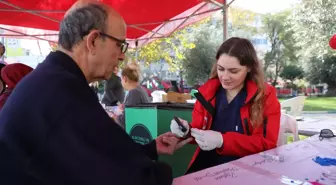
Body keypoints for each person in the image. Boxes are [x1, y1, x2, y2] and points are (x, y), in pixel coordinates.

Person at [0, 1, 192, 185]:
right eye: (120, 44)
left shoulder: (51, 79)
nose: (122, 55)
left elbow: (98, 154)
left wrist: (150, 149)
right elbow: (126, 178)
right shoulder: (65, 91)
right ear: (92, 41)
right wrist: (164, 174)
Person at [170, 37, 281, 174]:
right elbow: (199, 132)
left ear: (249, 68)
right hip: (205, 169)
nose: (225, 77)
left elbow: (267, 144)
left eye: (233, 71)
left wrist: (223, 140)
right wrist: (186, 131)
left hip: (246, 172)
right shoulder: (206, 94)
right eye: (221, 69)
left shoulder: (265, 96)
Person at [111, 62, 150, 128]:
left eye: (121, 79)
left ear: (125, 78)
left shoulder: (134, 92)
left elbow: (125, 121)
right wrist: (125, 108)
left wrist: (113, 116)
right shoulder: (141, 90)